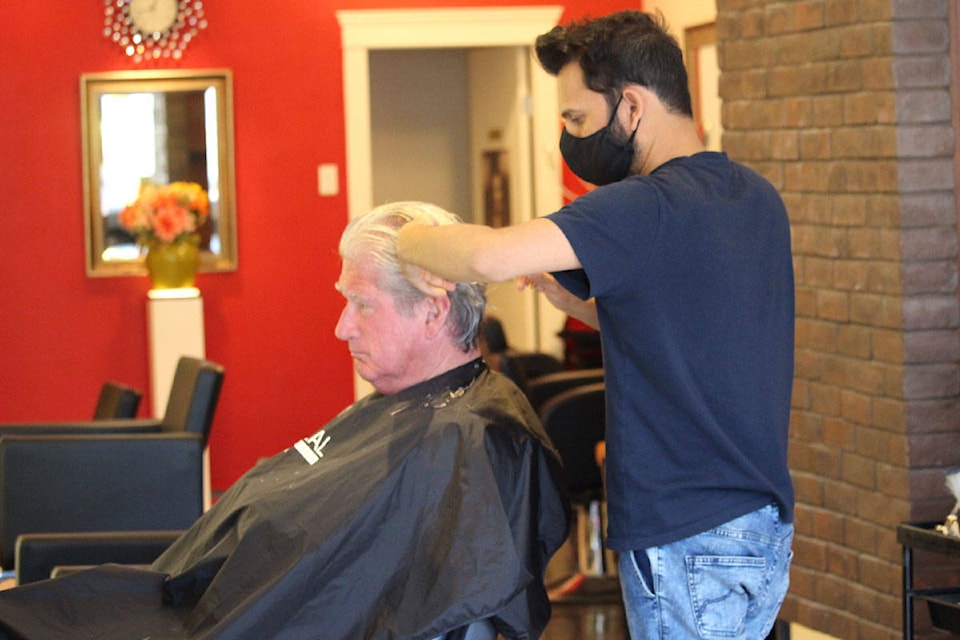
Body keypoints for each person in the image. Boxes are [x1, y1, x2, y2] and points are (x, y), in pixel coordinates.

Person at [396, 10, 795, 640]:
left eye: (577, 119)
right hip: (757, 521)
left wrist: (402, 240)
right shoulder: (752, 196)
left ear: (632, 108)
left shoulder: (644, 205)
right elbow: (689, 333)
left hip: (684, 527)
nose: (571, 137)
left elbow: (488, 255)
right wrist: (577, 303)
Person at [0, 202, 569, 640]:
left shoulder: (472, 440)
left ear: (433, 309)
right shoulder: (401, 410)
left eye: (362, 304)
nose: (342, 328)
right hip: (182, 602)